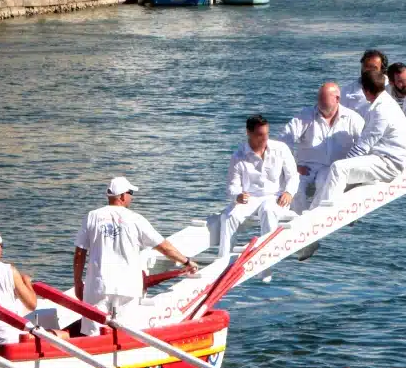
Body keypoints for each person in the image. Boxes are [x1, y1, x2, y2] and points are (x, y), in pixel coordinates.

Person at [73, 177, 197, 336]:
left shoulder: (92, 216)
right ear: (122, 196)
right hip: (128, 287)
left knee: (92, 335)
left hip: (98, 286)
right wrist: (186, 261)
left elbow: (79, 254)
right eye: (130, 193)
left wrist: (78, 282)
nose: (131, 197)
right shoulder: (136, 219)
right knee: (126, 334)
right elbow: (164, 247)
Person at [315, 70, 406, 208]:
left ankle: (327, 212)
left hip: (389, 164)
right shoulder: (384, 102)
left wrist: (343, 163)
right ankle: (314, 210)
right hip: (382, 156)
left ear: (366, 91)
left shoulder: (381, 111)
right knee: (327, 172)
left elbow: (363, 146)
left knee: (338, 168)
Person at [218, 116, 299, 257]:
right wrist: (237, 195)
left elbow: (293, 176)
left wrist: (289, 192)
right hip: (250, 198)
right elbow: (232, 186)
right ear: (248, 133)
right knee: (228, 216)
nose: (264, 138)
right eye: (260, 135)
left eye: (267, 134)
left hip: (275, 197)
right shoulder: (238, 156)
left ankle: (267, 256)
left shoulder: (281, 149)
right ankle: (223, 259)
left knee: (268, 210)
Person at [278, 83, 364, 212]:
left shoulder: (352, 118)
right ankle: (298, 220)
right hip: (306, 166)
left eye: (325, 103)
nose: (321, 106)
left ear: (337, 99)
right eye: (319, 102)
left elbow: (365, 144)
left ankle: (314, 218)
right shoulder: (306, 115)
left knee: (325, 186)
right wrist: (293, 165)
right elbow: (283, 141)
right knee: (295, 188)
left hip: (333, 168)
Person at [341, 49, 388, 119]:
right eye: (366, 66)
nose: (368, 70)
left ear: (382, 70)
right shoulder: (347, 91)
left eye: (374, 68)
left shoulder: (392, 86)